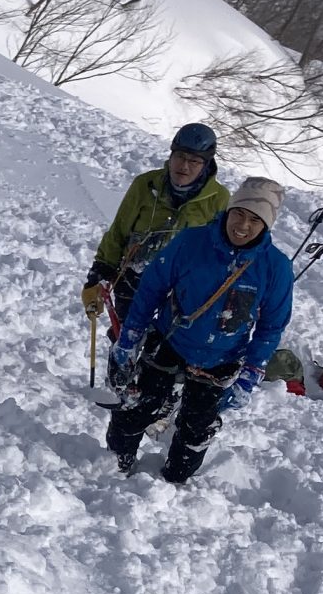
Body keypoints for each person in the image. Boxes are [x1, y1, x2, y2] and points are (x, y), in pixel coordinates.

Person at [104, 176, 295, 484]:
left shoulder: (275, 267)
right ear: (229, 210)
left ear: (267, 226)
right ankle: (114, 464)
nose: (243, 226)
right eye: (239, 214)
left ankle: (174, 482)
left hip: (221, 358)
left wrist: (251, 373)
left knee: (197, 430)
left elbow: (271, 326)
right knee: (138, 406)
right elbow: (151, 288)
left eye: (255, 221)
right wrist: (129, 337)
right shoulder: (192, 242)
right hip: (171, 340)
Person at [80, 124, 229, 341]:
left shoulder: (219, 199)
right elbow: (119, 232)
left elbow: (219, 252)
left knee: (160, 357)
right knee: (125, 347)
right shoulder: (145, 185)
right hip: (133, 284)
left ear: (206, 164)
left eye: (194, 161)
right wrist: (99, 274)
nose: (184, 166)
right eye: (180, 156)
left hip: (181, 294)